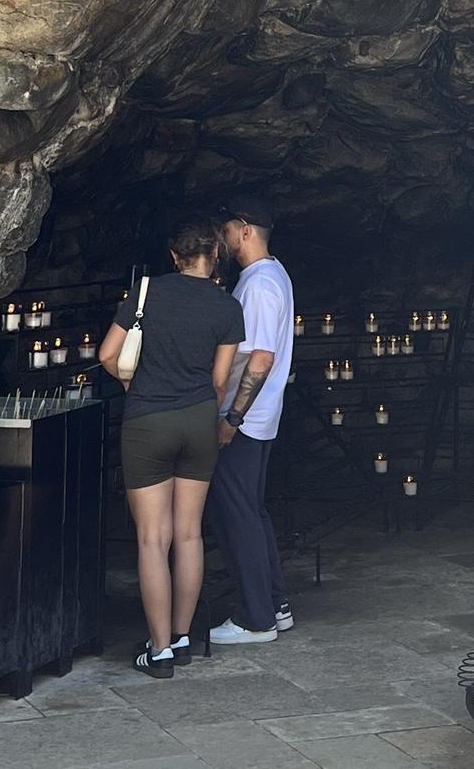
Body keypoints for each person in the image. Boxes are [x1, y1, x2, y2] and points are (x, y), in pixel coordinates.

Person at [99, 218, 244, 679]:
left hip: (148, 419)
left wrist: (134, 386)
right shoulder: (226, 307)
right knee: (188, 535)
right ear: (216, 255)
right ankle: (182, 637)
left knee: (152, 538)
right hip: (200, 420)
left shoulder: (146, 295)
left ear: (174, 257)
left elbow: (107, 354)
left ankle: (158, 650)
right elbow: (221, 381)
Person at [207, 193, 296, 645]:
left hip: (245, 418)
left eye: (224, 231)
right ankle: (274, 604)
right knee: (253, 512)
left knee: (237, 514)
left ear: (244, 229)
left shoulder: (259, 284)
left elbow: (259, 357)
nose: (220, 241)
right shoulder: (272, 275)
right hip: (260, 417)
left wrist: (231, 418)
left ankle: (254, 618)